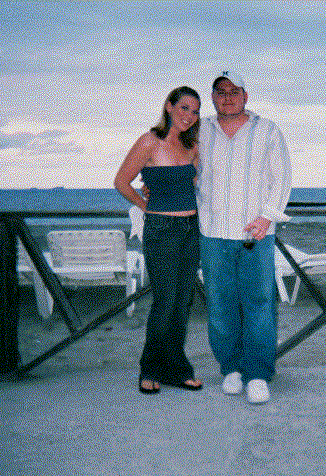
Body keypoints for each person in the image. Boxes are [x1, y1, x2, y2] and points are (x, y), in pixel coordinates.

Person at [197, 71, 292, 404]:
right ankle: (231, 369)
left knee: (259, 304)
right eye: (220, 92)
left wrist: (267, 217)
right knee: (219, 304)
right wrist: (153, 186)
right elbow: (181, 167)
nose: (227, 97)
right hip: (212, 232)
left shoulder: (268, 130)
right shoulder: (200, 130)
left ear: (245, 96)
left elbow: (281, 178)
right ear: (212, 97)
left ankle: (258, 374)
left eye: (234, 91)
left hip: (256, 232)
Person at [114, 86, 203, 394]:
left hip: (192, 229)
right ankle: (149, 369)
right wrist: (145, 206)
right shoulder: (149, 141)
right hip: (162, 230)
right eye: (184, 108)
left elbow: (194, 184)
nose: (189, 116)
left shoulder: (192, 146)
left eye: (195, 111)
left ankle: (176, 369)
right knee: (165, 301)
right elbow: (121, 181)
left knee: (183, 301)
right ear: (169, 106)